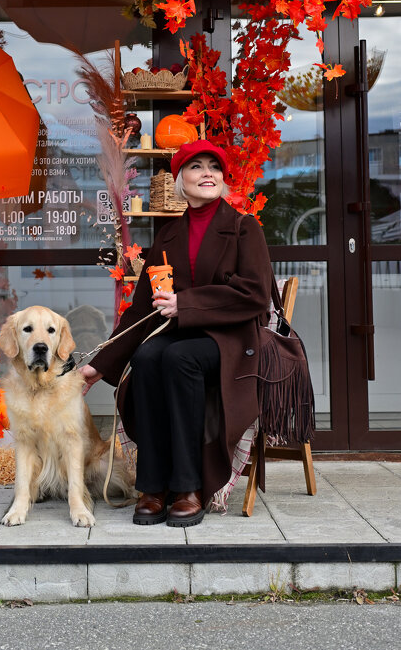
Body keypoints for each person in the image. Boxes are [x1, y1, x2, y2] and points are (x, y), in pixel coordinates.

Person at [81, 139, 272, 527]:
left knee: (178, 357)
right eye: (196, 167)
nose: (207, 174)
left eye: (214, 167)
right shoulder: (166, 237)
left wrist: (186, 304)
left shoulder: (242, 228)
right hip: (179, 338)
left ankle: (189, 487)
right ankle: (154, 487)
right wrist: (98, 367)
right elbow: (141, 310)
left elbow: (255, 294)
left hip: (231, 340)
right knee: (149, 356)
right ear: (179, 181)